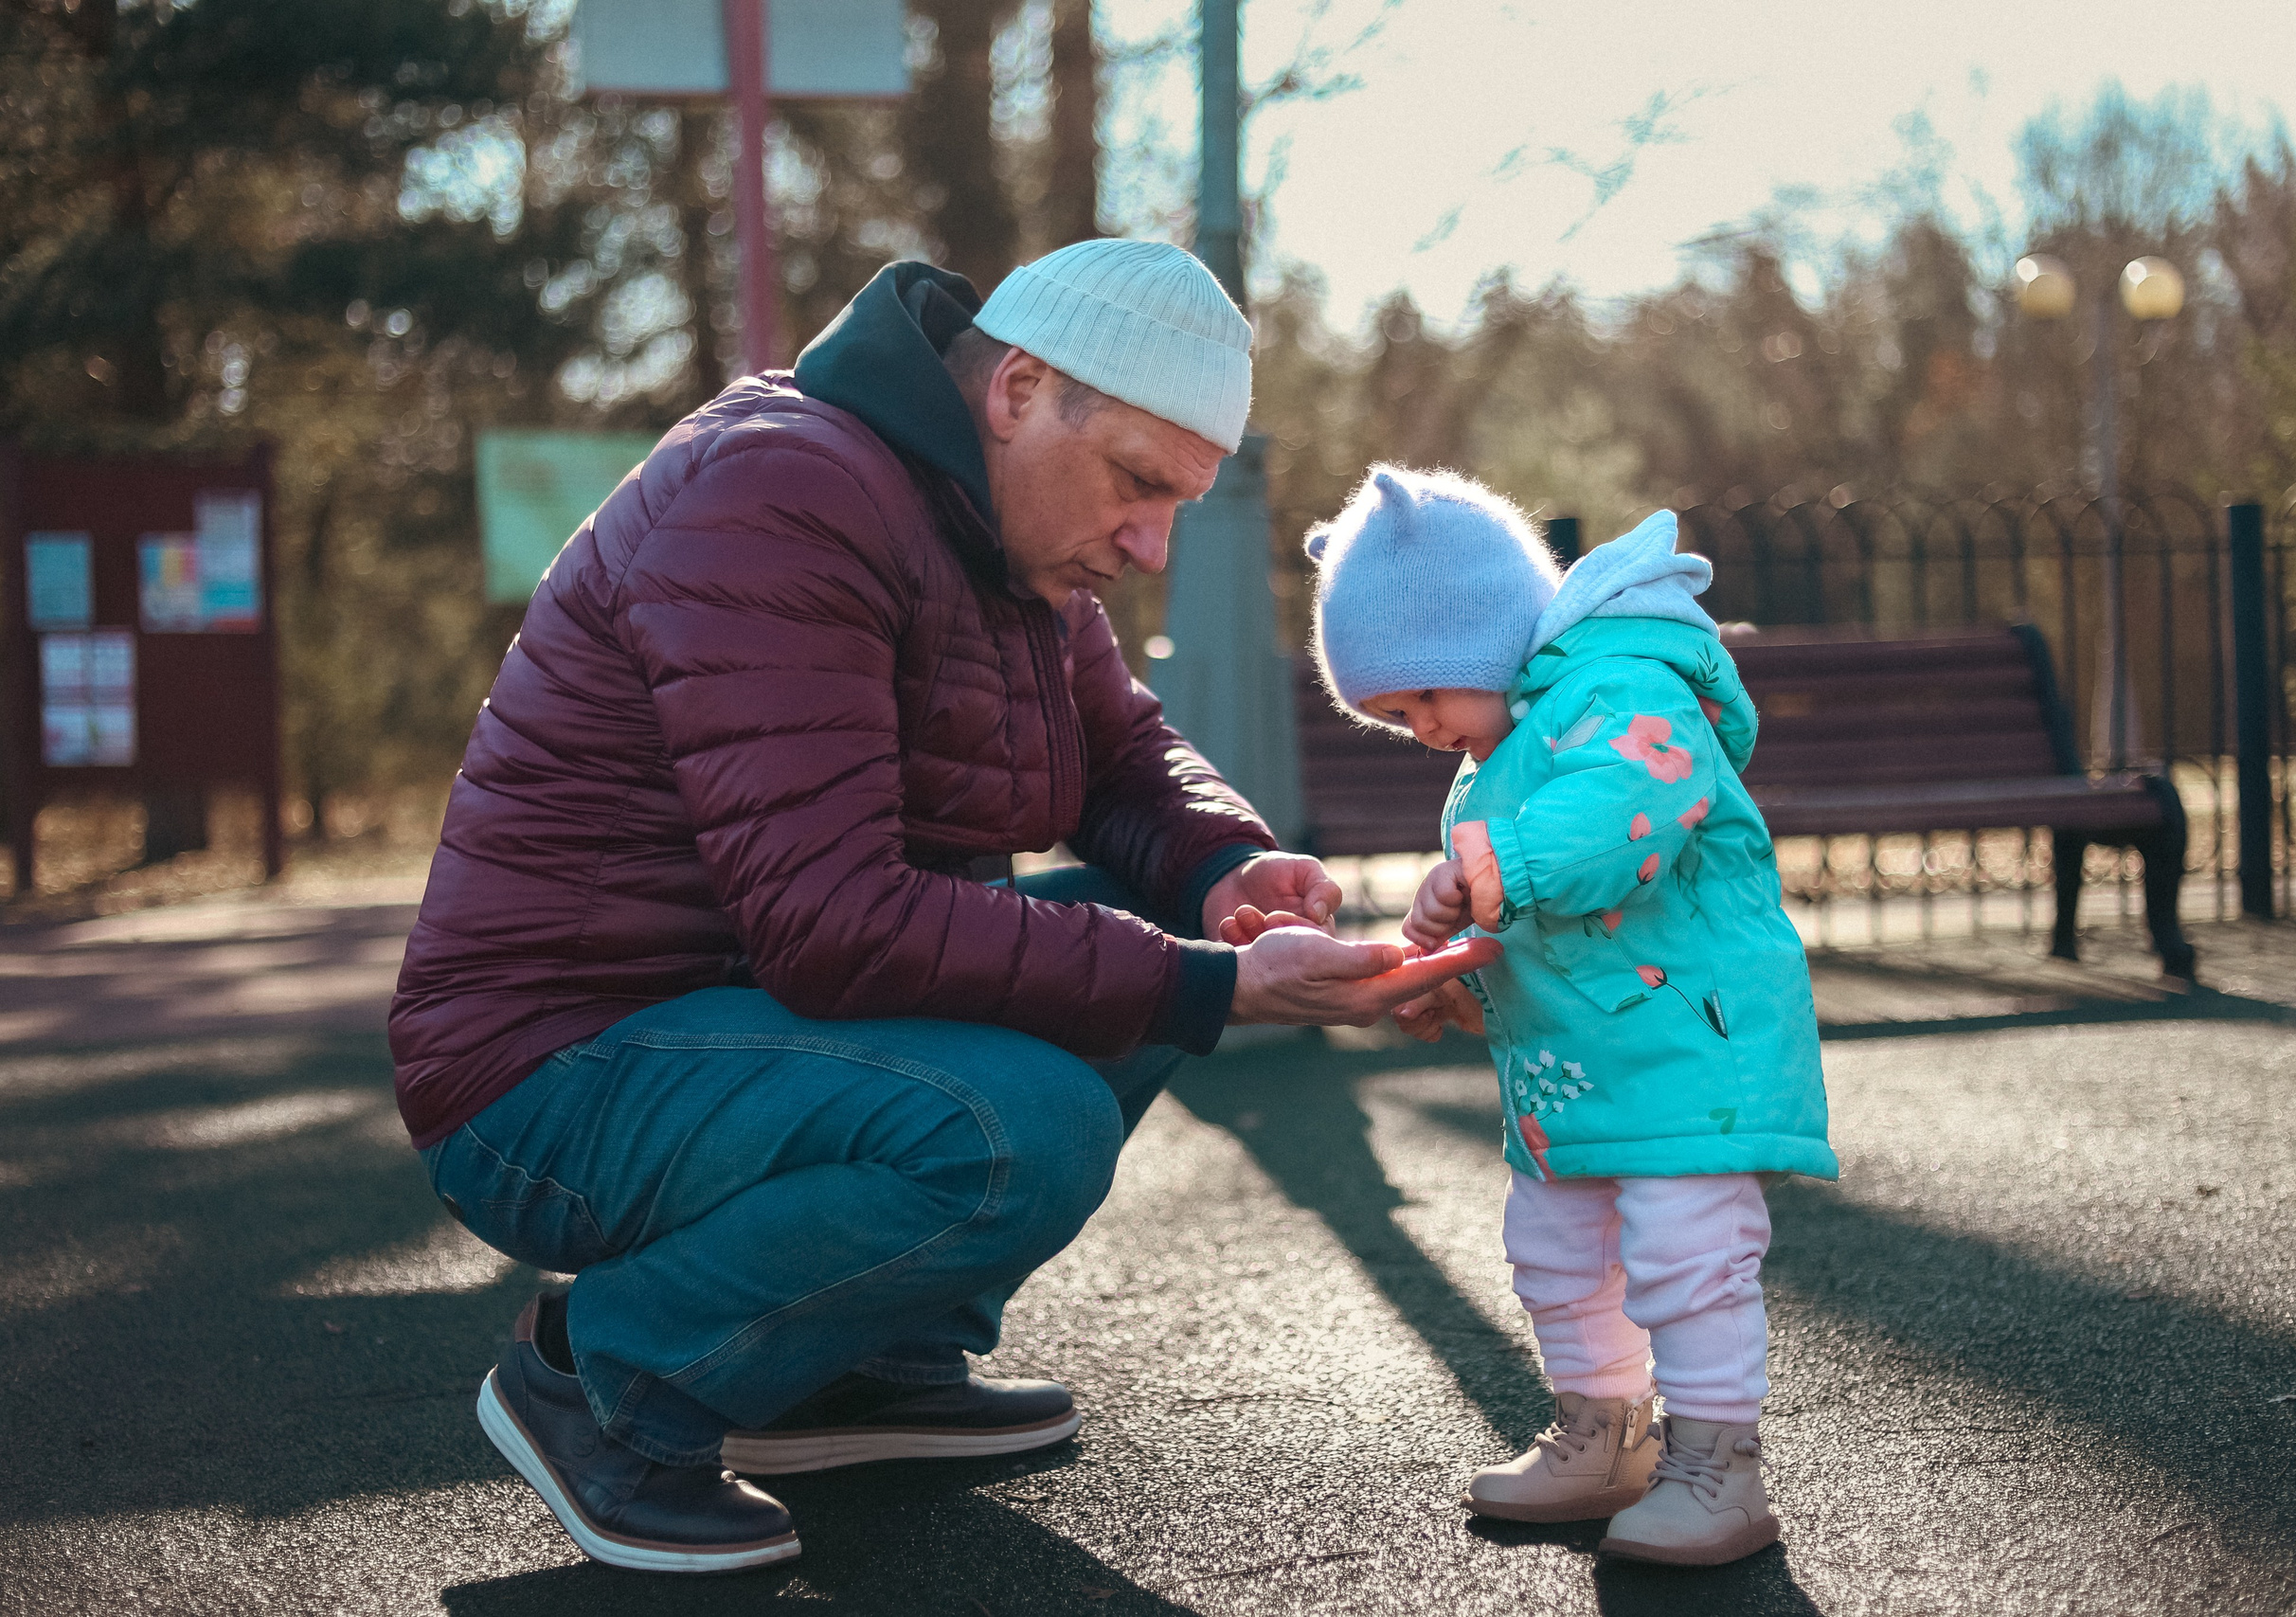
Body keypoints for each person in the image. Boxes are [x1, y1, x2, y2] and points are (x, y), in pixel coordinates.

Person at [389, 242, 1482, 1573]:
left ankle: (846, 1366)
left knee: (1132, 963)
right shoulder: (782, 488)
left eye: (1180, 503)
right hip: (549, 1076)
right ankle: (608, 1378)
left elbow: (1125, 754)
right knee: (1025, 1122)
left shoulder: (1002, 527)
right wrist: (1206, 983)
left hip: (732, 1019)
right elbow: (832, 918)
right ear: (1018, 390)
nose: (1150, 544)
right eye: (1140, 483)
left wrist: (1226, 875)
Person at [1302, 466, 1835, 1568]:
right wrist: (1456, 969)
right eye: (1391, 716)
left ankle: (1717, 1464)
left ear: (1480, 637)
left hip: (1691, 1048)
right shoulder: (1502, 745)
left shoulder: (1624, 685)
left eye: (1417, 699)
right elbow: (1530, 908)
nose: (1416, 730)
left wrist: (1491, 873)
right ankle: (1603, 1433)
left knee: (1688, 1255)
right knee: (1554, 1250)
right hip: (1575, 1071)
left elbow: (1623, 814)